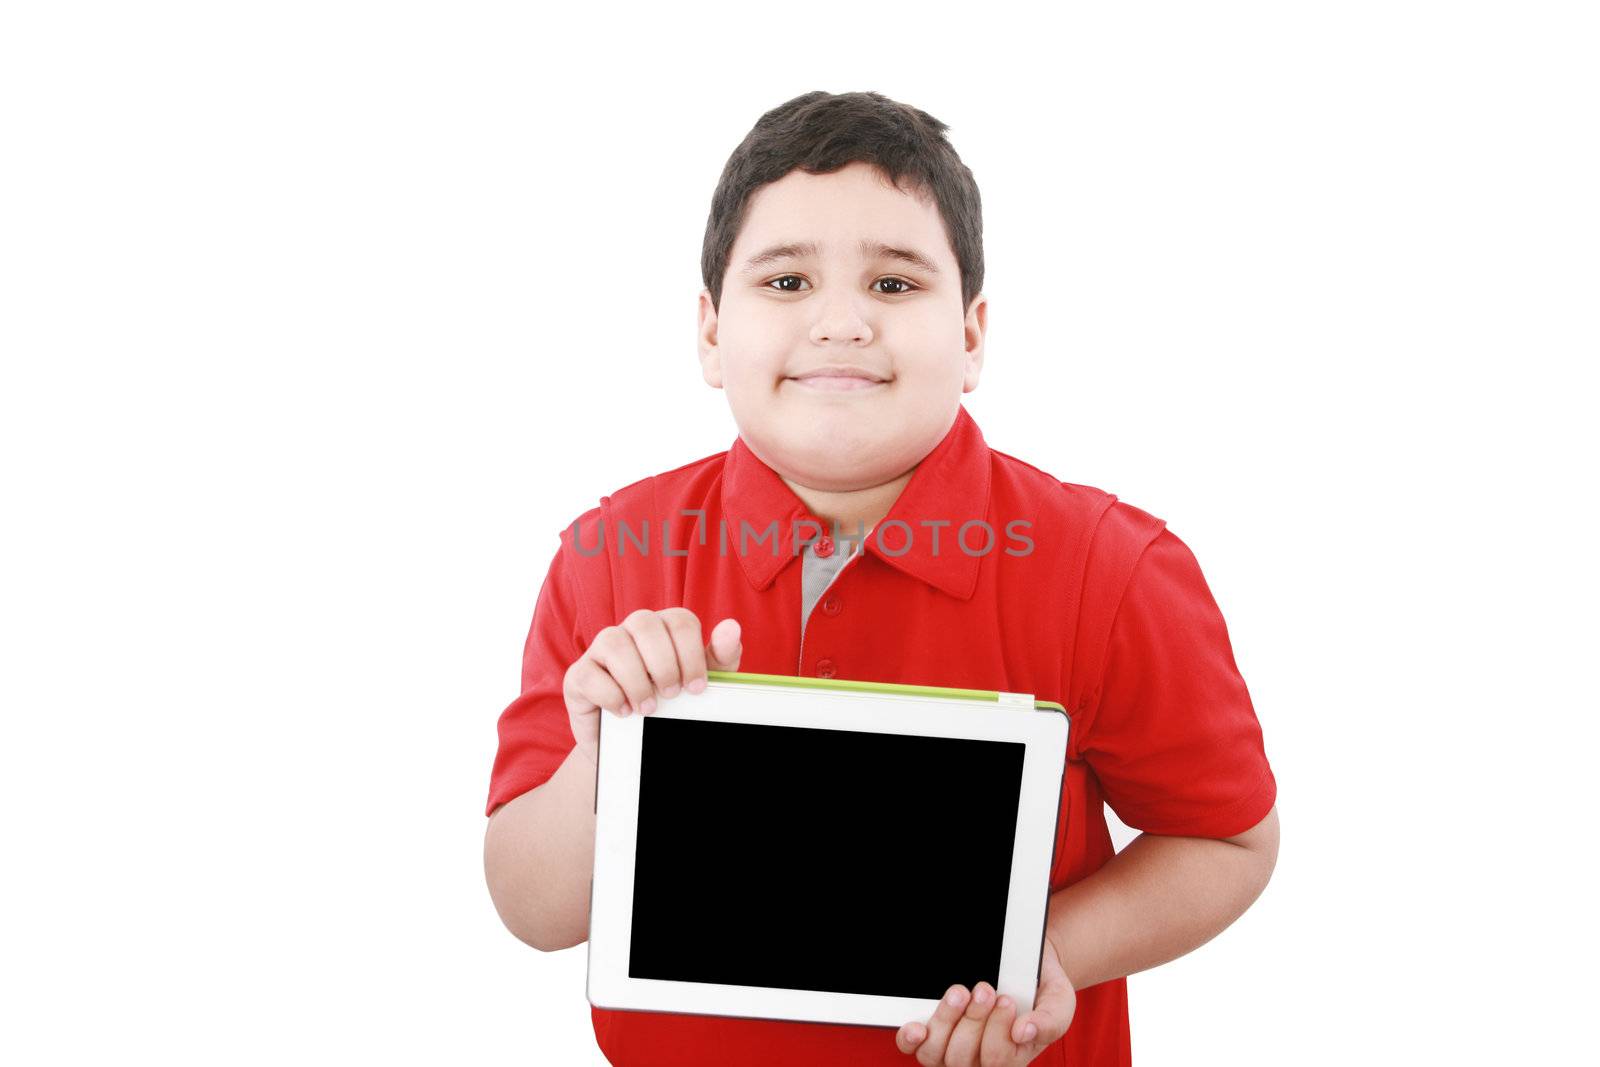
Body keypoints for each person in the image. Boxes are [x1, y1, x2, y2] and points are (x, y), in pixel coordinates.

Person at [483, 89, 1278, 1067]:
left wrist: (1052, 950)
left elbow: (1230, 839)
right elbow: (532, 907)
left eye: (895, 285)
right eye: (784, 283)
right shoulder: (608, 555)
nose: (842, 323)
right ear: (707, 331)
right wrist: (599, 762)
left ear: (973, 335)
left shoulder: (1112, 567)